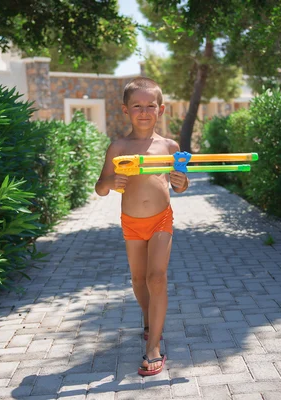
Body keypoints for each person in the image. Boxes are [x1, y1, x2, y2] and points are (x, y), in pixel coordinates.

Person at [95, 77, 189, 376]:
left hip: (162, 219)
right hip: (131, 223)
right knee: (138, 280)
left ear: (161, 110)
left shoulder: (170, 146)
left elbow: (182, 186)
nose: (144, 111)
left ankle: (154, 348)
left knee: (156, 278)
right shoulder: (118, 147)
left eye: (151, 105)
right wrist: (111, 182)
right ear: (125, 109)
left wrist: (181, 180)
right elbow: (100, 187)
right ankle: (149, 322)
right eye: (137, 105)